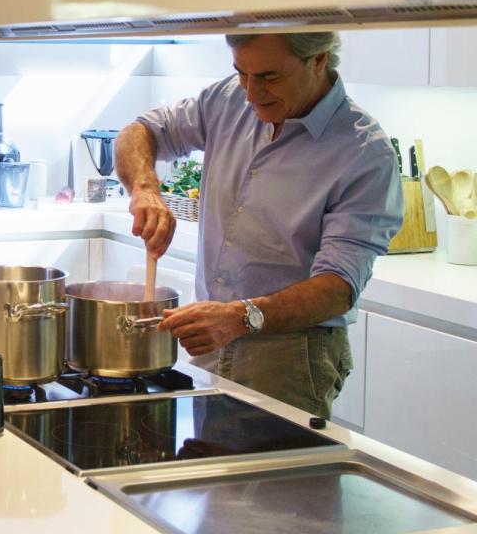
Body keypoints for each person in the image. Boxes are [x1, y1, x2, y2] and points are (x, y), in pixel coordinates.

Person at [115, 32, 404, 419]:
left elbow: (338, 287)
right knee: (214, 475)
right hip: (212, 339)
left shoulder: (364, 154)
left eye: (269, 77)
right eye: (241, 73)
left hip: (290, 356)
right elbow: (140, 132)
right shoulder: (227, 100)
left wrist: (240, 317)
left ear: (318, 60)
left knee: (279, 478)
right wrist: (145, 189)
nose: (251, 94)